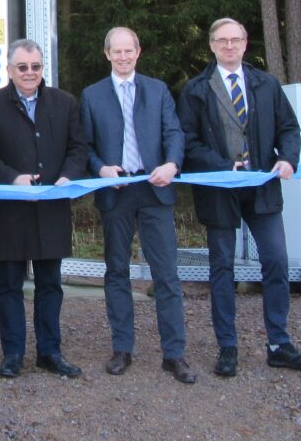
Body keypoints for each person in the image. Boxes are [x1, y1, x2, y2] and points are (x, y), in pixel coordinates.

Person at [176, 18, 301, 377]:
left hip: (263, 187)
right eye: (222, 40)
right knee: (221, 269)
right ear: (211, 45)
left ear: (245, 43)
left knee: (276, 262)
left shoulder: (266, 84)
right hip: (219, 189)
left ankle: (278, 343)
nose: (229, 46)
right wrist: (223, 166)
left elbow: (288, 128)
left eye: (235, 39)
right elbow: (187, 142)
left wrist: (287, 158)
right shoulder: (195, 90)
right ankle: (228, 347)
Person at [0, 39, 89, 379]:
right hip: (11, 211)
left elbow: (78, 148)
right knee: (9, 284)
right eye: (22, 67)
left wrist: (68, 176)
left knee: (50, 284)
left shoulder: (65, 103)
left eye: (35, 66)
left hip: (52, 209)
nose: (29, 73)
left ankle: (50, 352)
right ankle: (13, 354)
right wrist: (11, 179)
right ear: (9, 70)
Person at [80, 27, 194, 383]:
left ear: (138, 52)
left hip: (155, 189)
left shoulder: (158, 90)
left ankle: (174, 354)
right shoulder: (91, 95)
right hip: (117, 192)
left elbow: (174, 133)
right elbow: (83, 144)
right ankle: (122, 349)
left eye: (129, 51)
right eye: (117, 51)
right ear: (107, 54)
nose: (124, 57)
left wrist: (172, 164)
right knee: (116, 272)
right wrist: (100, 167)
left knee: (167, 275)